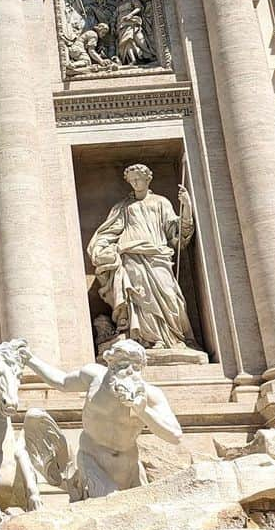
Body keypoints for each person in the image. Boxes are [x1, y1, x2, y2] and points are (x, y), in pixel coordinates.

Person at [20, 339, 183, 497]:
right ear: (110, 363)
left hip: (129, 467)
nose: (130, 371)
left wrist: (143, 411)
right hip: (92, 460)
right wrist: (30, 359)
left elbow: (175, 435)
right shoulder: (93, 376)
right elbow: (62, 382)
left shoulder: (151, 395)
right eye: (124, 365)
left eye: (136, 366)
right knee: (109, 507)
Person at [87, 164, 197, 350]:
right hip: (130, 254)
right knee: (139, 296)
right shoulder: (123, 208)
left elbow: (177, 231)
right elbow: (109, 231)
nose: (136, 182)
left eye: (139, 178)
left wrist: (186, 206)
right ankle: (147, 339)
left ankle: (172, 337)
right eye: (132, 180)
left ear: (148, 179)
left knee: (169, 293)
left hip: (157, 254)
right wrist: (101, 248)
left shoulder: (161, 202)